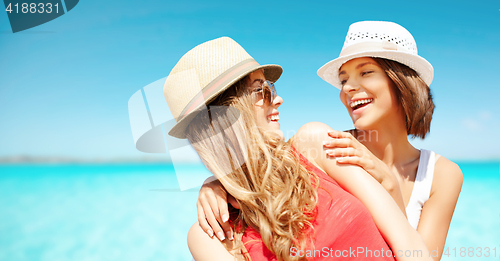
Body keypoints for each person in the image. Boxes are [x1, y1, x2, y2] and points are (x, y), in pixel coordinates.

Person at [197, 22, 463, 261]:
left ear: (401, 81)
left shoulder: (441, 174)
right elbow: (266, 167)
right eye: (344, 79)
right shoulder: (326, 145)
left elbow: (419, 253)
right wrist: (216, 184)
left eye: (366, 72)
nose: (347, 88)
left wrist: (389, 184)